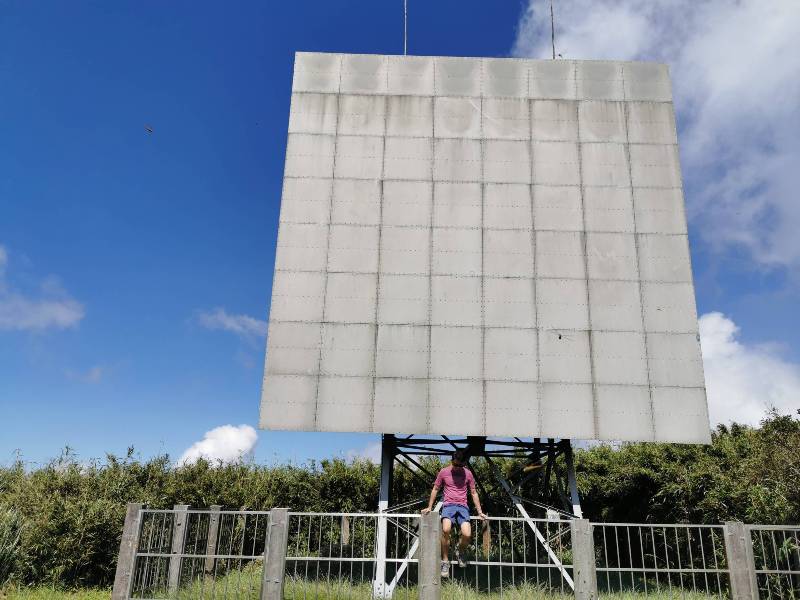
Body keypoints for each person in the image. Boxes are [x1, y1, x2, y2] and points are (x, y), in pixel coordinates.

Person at [421, 449, 488, 578]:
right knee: (445, 530)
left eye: (459, 465)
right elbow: (435, 489)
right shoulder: (444, 472)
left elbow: (474, 493)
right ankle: (445, 562)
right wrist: (430, 507)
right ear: (452, 461)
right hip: (448, 505)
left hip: (463, 506)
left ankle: (460, 550)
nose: (456, 467)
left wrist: (480, 511)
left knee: (467, 534)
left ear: (463, 463)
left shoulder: (468, 474)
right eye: (455, 464)